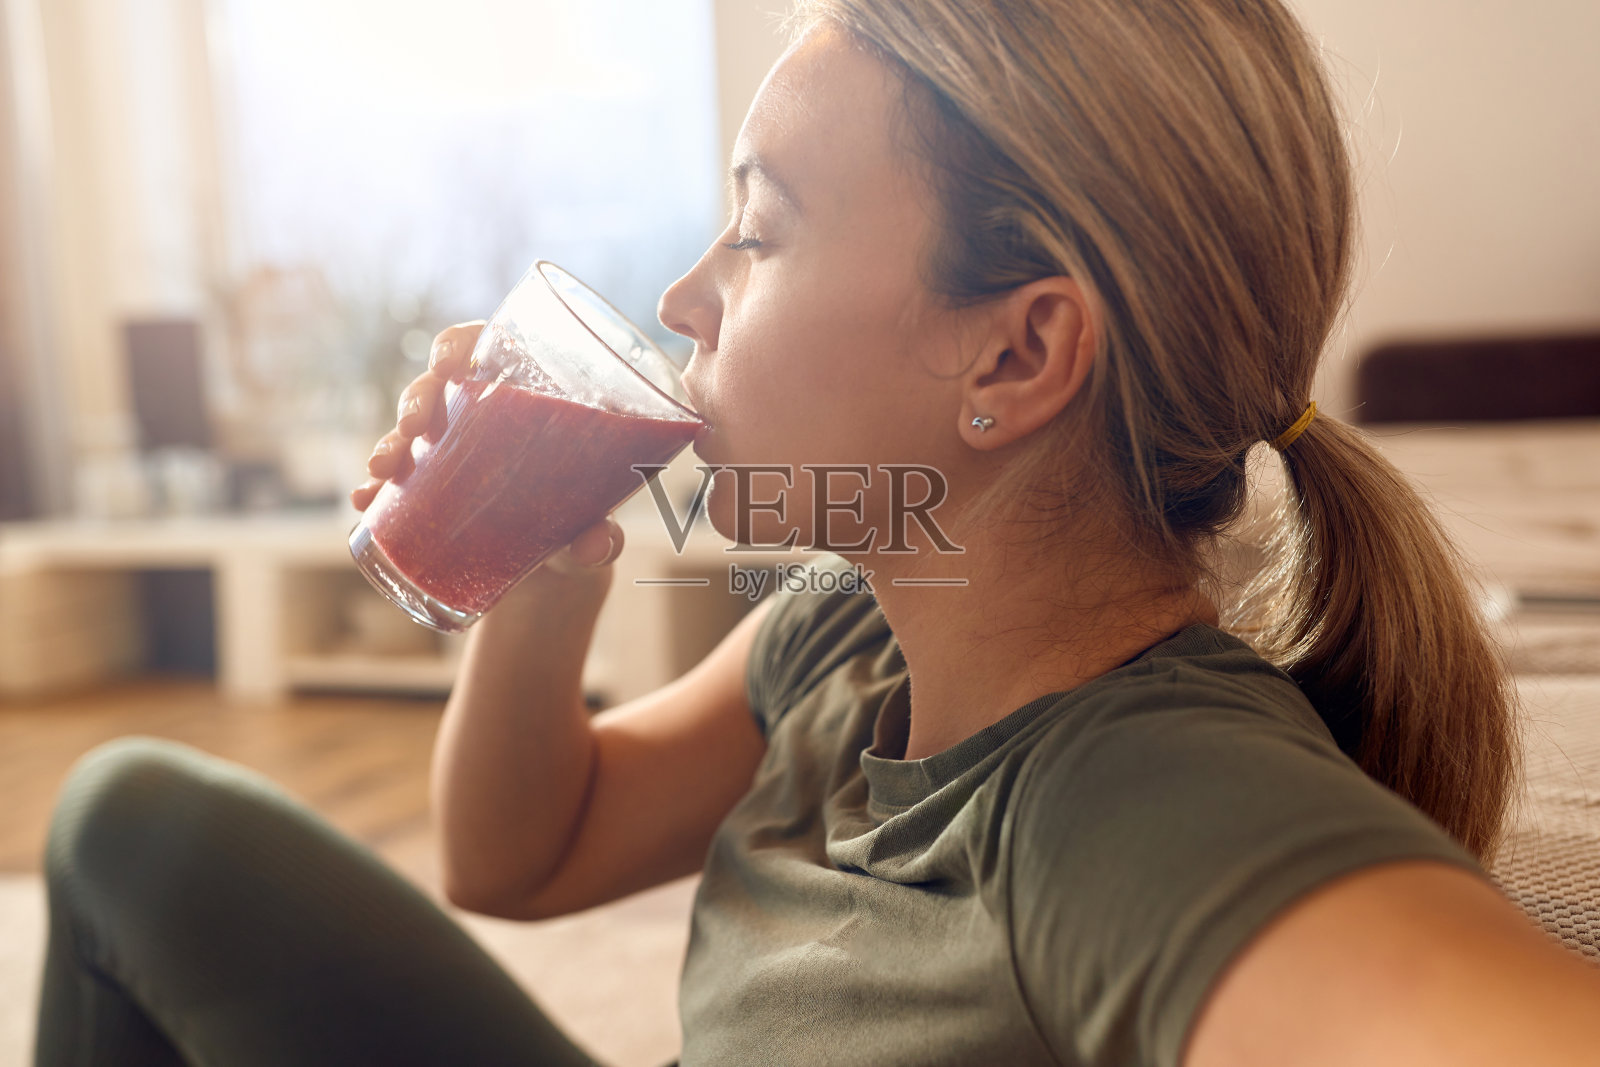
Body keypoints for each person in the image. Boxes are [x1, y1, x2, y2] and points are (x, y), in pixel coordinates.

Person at [33, 1, 1600, 1065]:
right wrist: (545, 562)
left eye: (761, 226)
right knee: (135, 821)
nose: (684, 294)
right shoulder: (854, 616)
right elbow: (520, 856)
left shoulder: (1136, 799)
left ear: (1014, 355)